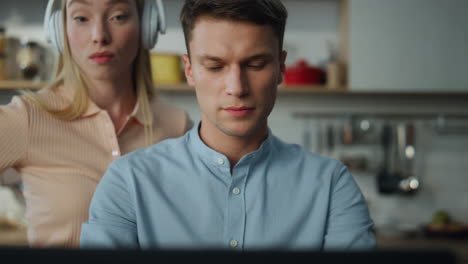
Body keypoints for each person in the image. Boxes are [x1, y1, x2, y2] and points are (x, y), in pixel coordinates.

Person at [80, 0, 376, 250]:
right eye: (215, 66)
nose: (236, 87)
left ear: (281, 68)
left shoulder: (331, 185)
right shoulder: (128, 182)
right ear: (190, 70)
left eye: (255, 64)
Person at [0, 0, 192, 248]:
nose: (99, 36)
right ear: (60, 30)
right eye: (81, 18)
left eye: (118, 17)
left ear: (147, 26)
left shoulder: (178, 127)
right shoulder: (27, 118)